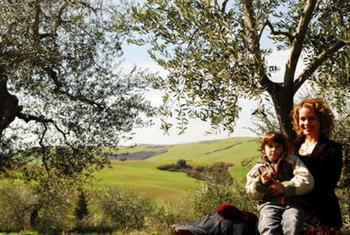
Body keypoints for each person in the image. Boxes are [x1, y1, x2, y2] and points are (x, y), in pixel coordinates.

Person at [291, 98, 343, 234]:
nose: (306, 123)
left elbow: (329, 183)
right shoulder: (292, 149)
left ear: (321, 120)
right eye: (302, 119)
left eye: (311, 118)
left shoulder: (333, 148)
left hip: (324, 215)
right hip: (295, 216)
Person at [246, 131, 314, 235]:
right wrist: (260, 183)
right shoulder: (258, 168)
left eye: (278, 147)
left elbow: (306, 180)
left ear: (283, 148)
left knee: (293, 222)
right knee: (267, 226)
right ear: (263, 149)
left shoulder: (292, 161)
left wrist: (284, 187)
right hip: (269, 204)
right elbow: (251, 193)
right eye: (270, 146)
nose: (274, 150)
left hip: (293, 203)